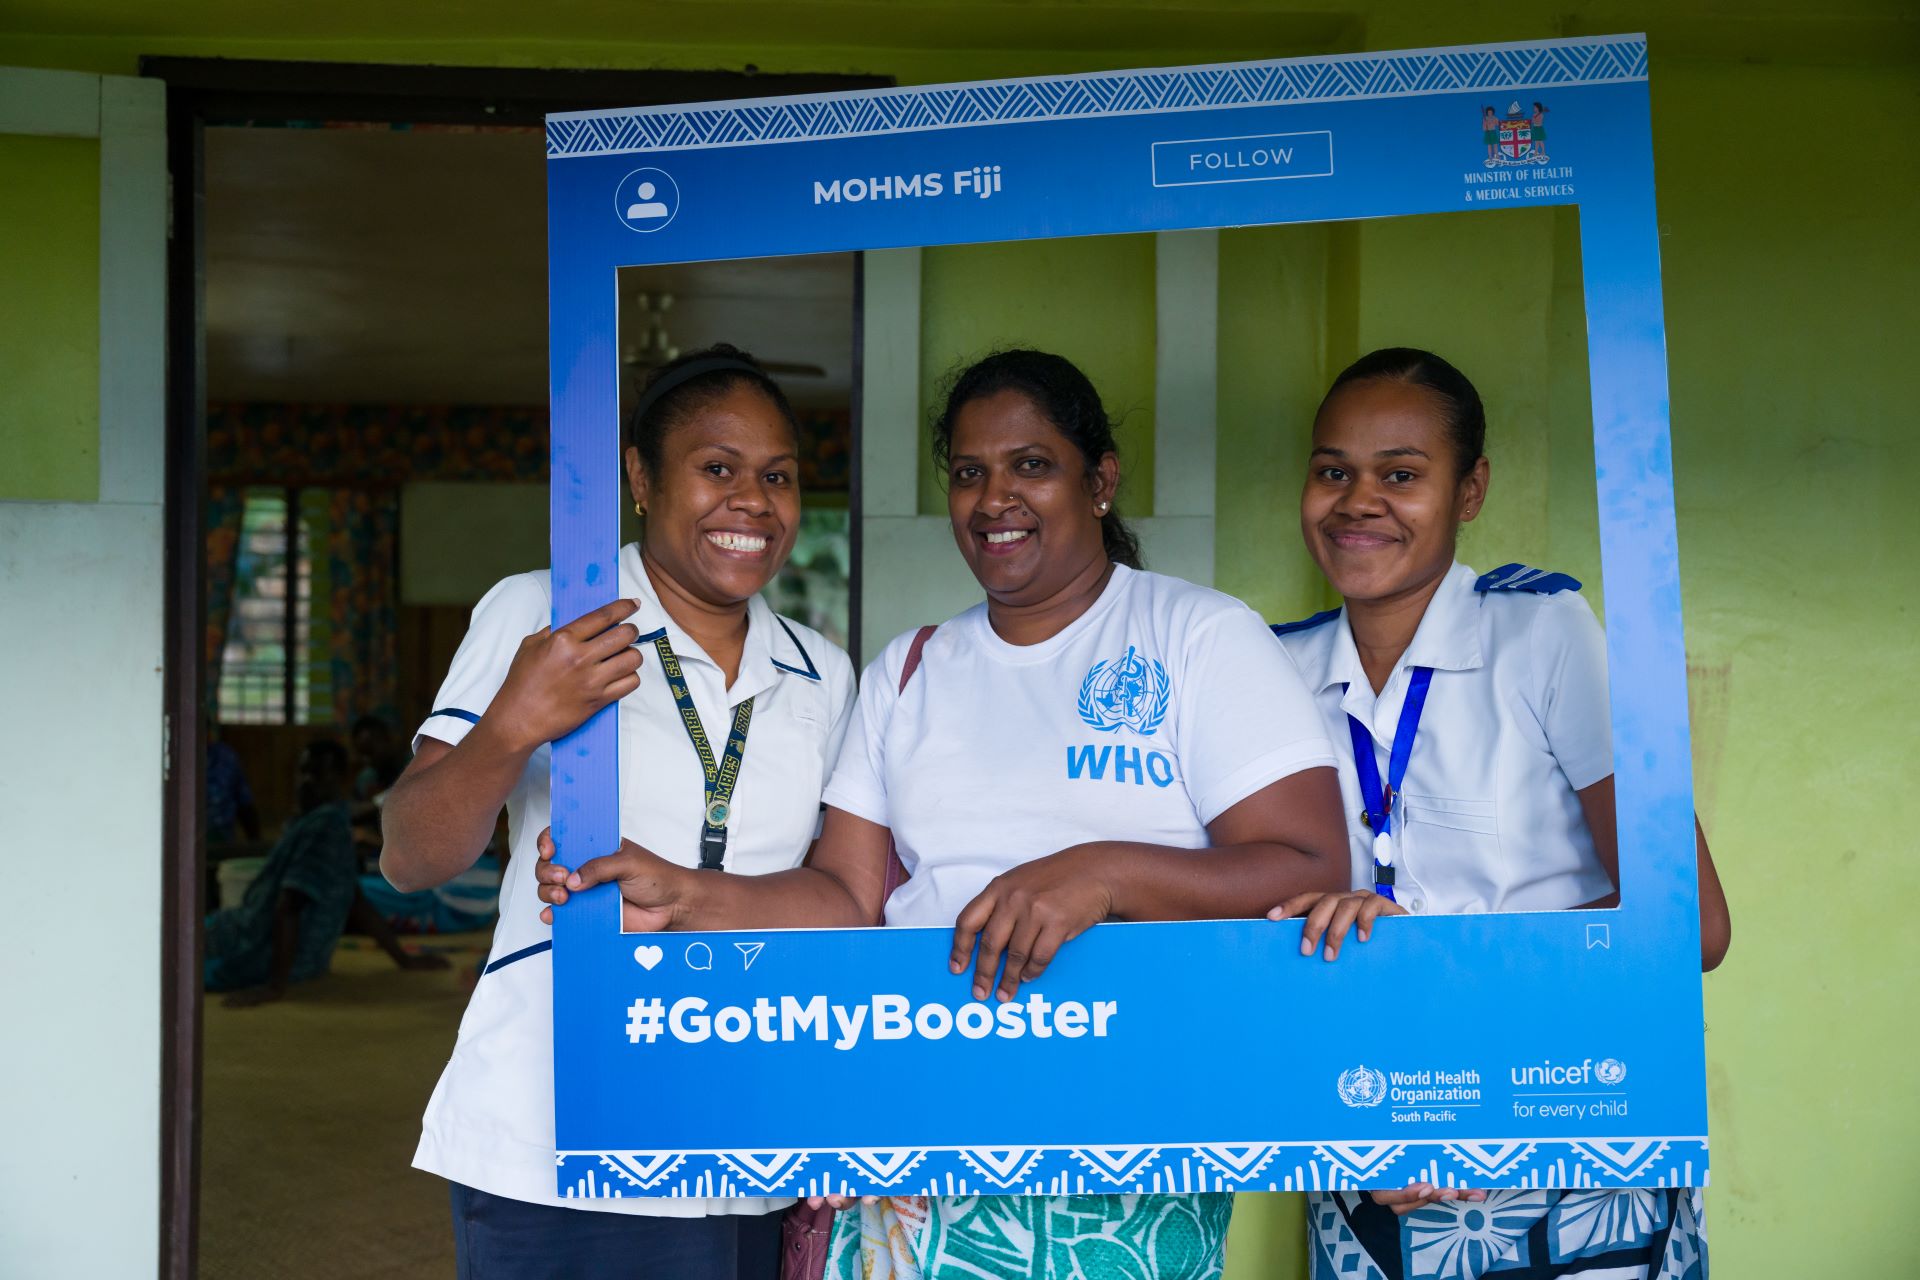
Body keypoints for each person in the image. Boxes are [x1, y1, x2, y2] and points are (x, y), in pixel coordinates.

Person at [538, 349, 1351, 1280]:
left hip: (1120, 1145)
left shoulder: (1197, 636)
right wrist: (684, 893)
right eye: (969, 473)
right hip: (910, 1137)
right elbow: (843, 897)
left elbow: (1311, 866)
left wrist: (1104, 874)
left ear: (1100, 481)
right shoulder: (909, 668)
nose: (995, 497)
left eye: (1031, 465)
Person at [379, 344, 856, 1280]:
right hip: (553, 1123)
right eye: (717, 469)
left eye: (778, 477)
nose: (752, 501)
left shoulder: (819, 669)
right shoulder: (545, 614)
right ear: (641, 479)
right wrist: (514, 723)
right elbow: (410, 857)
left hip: (743, 1119)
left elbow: (839, 899)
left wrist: (688, 896)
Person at [1266, 347, 1730, 1279]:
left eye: (1401, 474)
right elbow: (1259, 936)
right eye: (1333, 472)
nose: (1359, 500)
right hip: (1372, 1154)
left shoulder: (1544, 632)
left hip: (1567, 1143)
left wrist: (1468, 1070)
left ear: (1471, 490)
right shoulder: (1270, 669)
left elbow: (1692, 925)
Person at [206, 738, 441, 1007]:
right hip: (272, 944)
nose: (307, 780)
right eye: (303, 772)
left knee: (169, 951)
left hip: (254, 949)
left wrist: (274, 987)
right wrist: (403, 959)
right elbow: (354, 900)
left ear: (339, 780)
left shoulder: (324, 826)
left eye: (318, 774)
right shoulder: (325, 820)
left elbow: (289, 907)